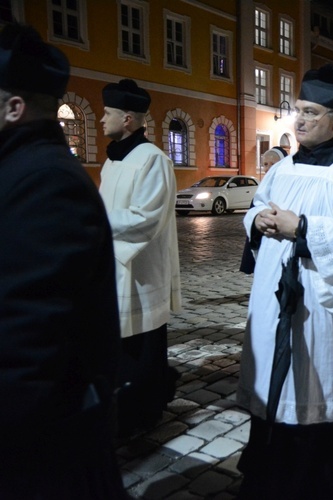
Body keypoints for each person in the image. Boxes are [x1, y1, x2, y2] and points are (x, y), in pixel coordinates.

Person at [235, 64, 333, 499]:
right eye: (297, 111)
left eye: (312, 112)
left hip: (322, 304)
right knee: (274, 381)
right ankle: (268, 475)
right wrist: (257, 218)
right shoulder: (283, 167)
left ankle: (318, 483)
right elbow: (259, 204)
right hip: (275, 297)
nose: (299, 121)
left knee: (317, 385)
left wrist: (301, 227)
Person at [0, 23, 126, 498]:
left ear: (14, 108)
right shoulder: (21, 166)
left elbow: (26, 340)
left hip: (40, 445)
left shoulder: (46, 181)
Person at [98, 78, 182, 437]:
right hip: (113, 266)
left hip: (141, 271)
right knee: (120, 346)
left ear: (128, 119)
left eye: (107, 113)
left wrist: (95, 224)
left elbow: (145, 219)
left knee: (143, 346)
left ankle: (144, 414)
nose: (102, 120)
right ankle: (125, 409)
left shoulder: (153, 160)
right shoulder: (114, 160)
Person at [240, 146, 289, 274]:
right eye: (265, 164)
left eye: (273, 164)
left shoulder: (289, 185)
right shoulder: (262, 188)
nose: (268, 168)